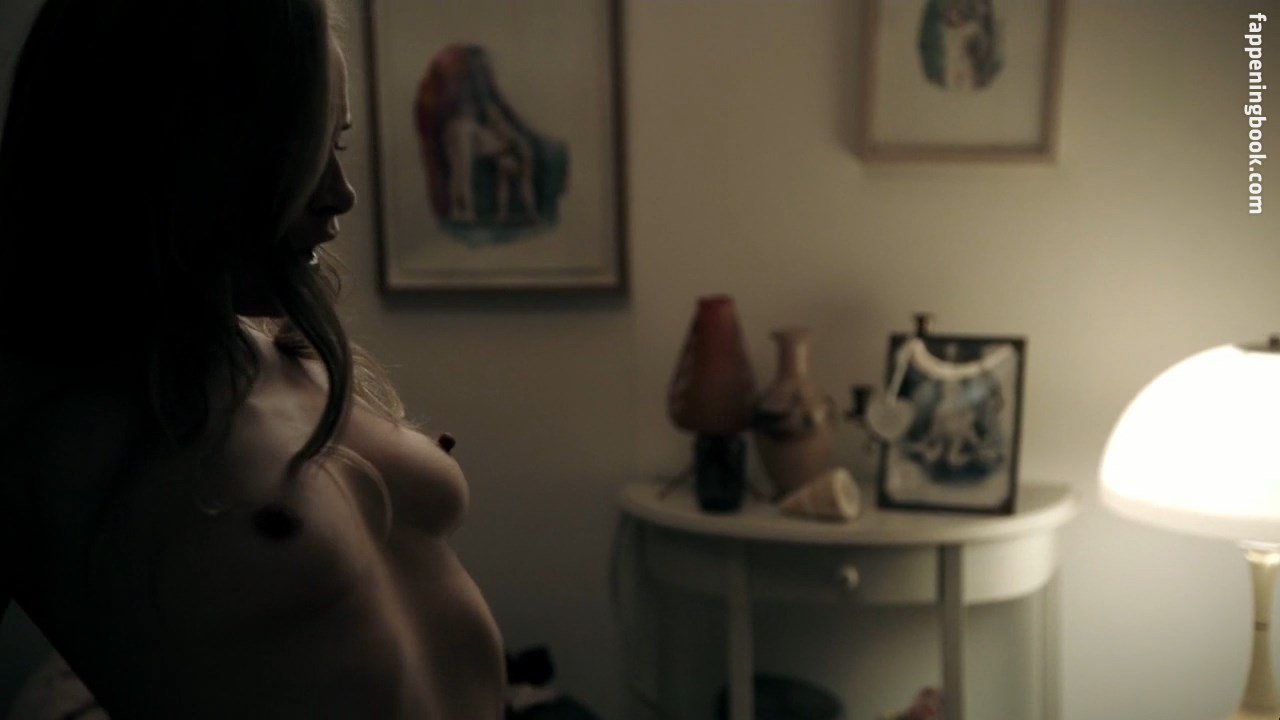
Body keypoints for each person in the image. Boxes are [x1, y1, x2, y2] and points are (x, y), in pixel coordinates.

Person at [0, 1, 506, 718]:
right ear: (168, 147)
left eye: (337, 143)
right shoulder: (40, 414)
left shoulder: (285, 357)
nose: (340, 194)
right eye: (300, 151)